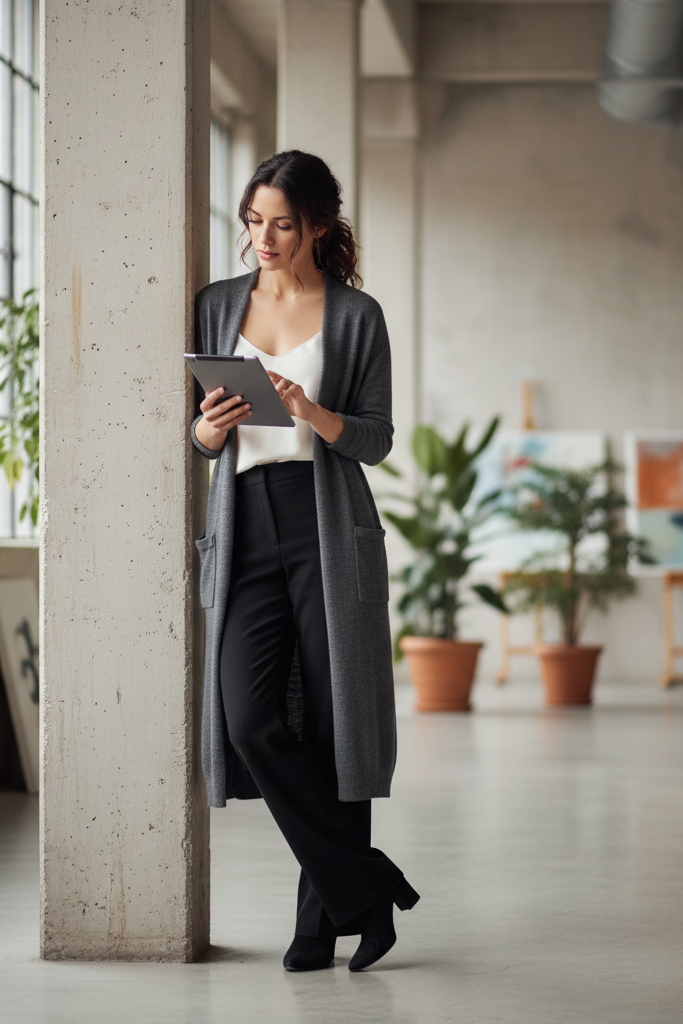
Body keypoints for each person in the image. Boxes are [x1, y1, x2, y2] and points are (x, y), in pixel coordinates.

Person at [190, 150, 419, 972]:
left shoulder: (357, 316)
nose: (263, 237)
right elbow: (200, 434)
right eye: (253, 221)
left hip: (327, 528)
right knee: (250, 722)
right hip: (244, 525)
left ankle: (319, 923)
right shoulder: (217, 305)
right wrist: (209, 431)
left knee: (334, 727)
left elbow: (377, 439)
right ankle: (367, 885)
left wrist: (313, 412)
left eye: (282, 224)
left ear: (318, 225)